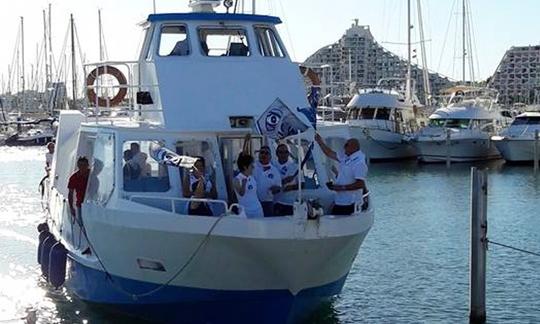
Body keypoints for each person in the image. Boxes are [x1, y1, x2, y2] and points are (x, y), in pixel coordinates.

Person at [315, 133, 368, 215]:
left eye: (346, 145)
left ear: (354, 147)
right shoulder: (346, 157)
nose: (344, 147)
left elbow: (360, 184)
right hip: (341, 201)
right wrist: (320, 142)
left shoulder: (359, 163)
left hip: (350, 203)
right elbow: (329, 153)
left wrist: (341, 188)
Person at [254, 146, 281, 216]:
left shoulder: (275, 171)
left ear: (270, 156)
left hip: (267, 203)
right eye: (262, 152)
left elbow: (279, 188)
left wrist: (276, 189)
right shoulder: (252, 167)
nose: (264, 155)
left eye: (266, 153)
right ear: (259, 154)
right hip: (254, 202)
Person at [233, 153, 263, 218]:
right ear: (245, 167)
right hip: (245, 212)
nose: (253, 167)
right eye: (251, 166)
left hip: (257, 210)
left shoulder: (252, 177)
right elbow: (241, 193)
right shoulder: (237, 179)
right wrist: (243, 184)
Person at [273, 143, 299, 216]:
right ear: (276, 153)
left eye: (286, 152)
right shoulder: (272, 166)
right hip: (276, 202)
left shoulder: (295, 167)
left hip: (291, 203)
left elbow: (302, 184)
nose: (283, 154)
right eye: (281, 152)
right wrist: (283, 182)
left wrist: (291, 187)